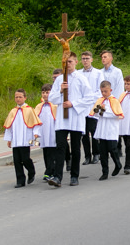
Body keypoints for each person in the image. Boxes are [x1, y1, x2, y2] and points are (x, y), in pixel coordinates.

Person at [48, 52, 97, 187]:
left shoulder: (81, 78)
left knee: (75, 148)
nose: (67, 64)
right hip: (61, 119)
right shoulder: (59, 80)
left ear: (76, 62)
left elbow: (89, 97)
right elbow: (51, 98)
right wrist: (60, 91)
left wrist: (73, 103)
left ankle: (74, 176)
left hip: (75, 117)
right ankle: (57, 176)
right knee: (60, 147)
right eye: (65, 62)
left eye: (70, 62)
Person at [3, 88, 41, 188]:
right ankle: (20, 180)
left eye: (20, 97)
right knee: (16, 160)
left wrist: (36, 134)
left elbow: (36, 123)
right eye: (16, 97)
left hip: (26, 138)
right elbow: (9, 126)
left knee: (25, 158)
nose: (18, 99)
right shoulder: (13, 111)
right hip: (16, 139)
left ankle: (31, 170)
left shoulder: (30, 110)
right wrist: (9, 139)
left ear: (25, 98)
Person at [91, 80, 123, 180]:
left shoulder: (114, 101)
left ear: (110, 90)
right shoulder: (100, 100)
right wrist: (98, 111)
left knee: (112, 149)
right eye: (102, 91)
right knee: (103, 152)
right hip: (102, 129)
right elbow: (94, 113)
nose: (104, 93)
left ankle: (118, 164)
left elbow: (116, 114)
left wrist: (103, 112)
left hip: (111, 128)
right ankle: (105, 172)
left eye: (105, 91)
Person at [79, 51, 103, 165]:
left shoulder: (98, 73)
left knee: (93, 131)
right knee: (84, 132)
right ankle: (87, 156)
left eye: (87, 58)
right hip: (82, 107)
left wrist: (89, 97)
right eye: (83, 58)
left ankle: (96, 154)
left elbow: (100, 90)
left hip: (94, 105)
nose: (85, 60)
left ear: (92, 59)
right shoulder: (78, 73)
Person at [34, 84, 58, 183]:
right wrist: (36, 132)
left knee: (52, 152)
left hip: (52, 132)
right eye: (43, 92)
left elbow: (57, 119)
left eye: (47, 92)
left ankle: (49, 172)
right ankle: (48, 170)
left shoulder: (55, 105)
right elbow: (35, 119)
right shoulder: (39, 106)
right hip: (44, 133)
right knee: (46, 152)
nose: (45, 95)